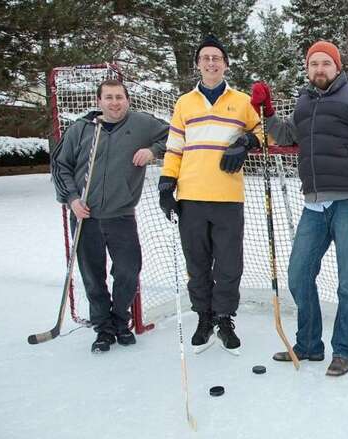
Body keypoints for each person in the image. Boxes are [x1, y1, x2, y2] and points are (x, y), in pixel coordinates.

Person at [251, 40, 348, 376]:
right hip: (314, 205)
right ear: (308, 69)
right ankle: (309, 345)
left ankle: (343, 351)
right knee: (298, 276)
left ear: (337, 67)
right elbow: (287, 135)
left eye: (326, 63)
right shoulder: (304, 101)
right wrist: (267, 113)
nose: (320, 69)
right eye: (314, 64)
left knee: (347, 284)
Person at [158, 35, 262, 356]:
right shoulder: (184, 103)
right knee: (198, 263)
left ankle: (224, 318)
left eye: (217, 57)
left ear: (226, 63)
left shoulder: (242, 101)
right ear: (198, 64)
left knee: (229, 264)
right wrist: (166, 184)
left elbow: (262, 132)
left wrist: (245, 142)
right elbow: (174, 148)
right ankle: (203, 317)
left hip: (228, 197)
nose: (212, 62)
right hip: (191, 196)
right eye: (206, 58)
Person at [51, 79, 169, 353]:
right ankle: (103, 328)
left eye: (119, 97)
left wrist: (152, 151)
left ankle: (119, 321)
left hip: (121, 214)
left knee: (128, 271)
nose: (115, 102)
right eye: (109, 97)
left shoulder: (141, 124)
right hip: (85, 215)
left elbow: (174, 135)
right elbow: (60, 166)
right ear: (99, 101)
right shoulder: (81, 129)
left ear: (127, 100)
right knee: (93, 275)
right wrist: (72, 199)